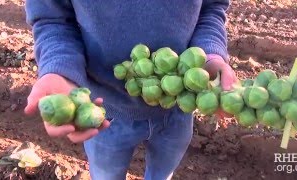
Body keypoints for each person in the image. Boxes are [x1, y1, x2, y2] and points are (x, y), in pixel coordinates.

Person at [24, 0, 237, 179]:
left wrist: (211, 54)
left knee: (163, 173)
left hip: (178, 109)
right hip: (106, 114)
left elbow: (211, 8)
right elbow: (53, 19)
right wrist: (61, 69)